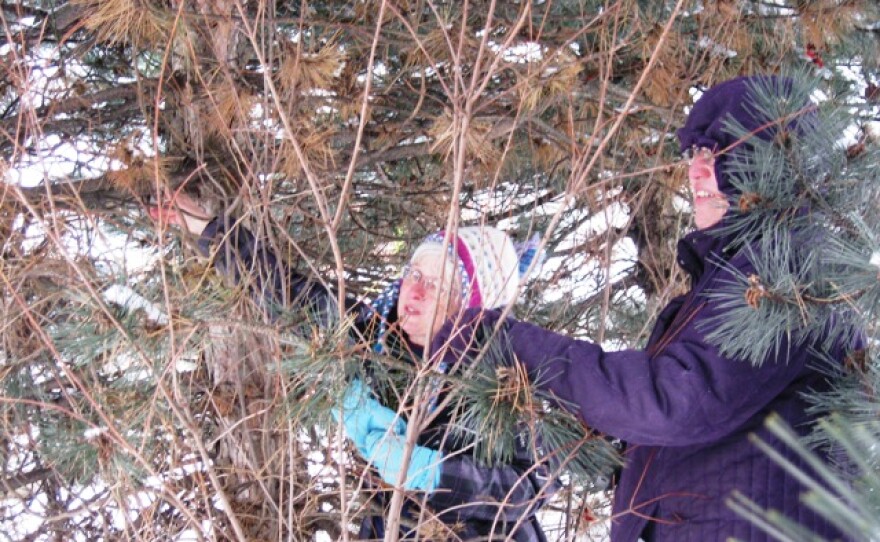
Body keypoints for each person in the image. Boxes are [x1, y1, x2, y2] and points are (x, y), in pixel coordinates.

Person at [430, 75, 855, 541]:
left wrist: (507, 342)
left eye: (714, 153)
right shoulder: (733, 280)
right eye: (692, 154)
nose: (694, 171)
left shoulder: (790, 271)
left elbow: (673, 401)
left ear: (770, 160)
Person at [148, 197, 554, 540]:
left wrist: (433, 473)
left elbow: (533, 486)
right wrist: (208, 229)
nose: (414, 289)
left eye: (438, 284)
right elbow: (283, 290)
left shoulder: (503, 379)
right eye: (414, 273)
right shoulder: (371, 337)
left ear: (470, 308)